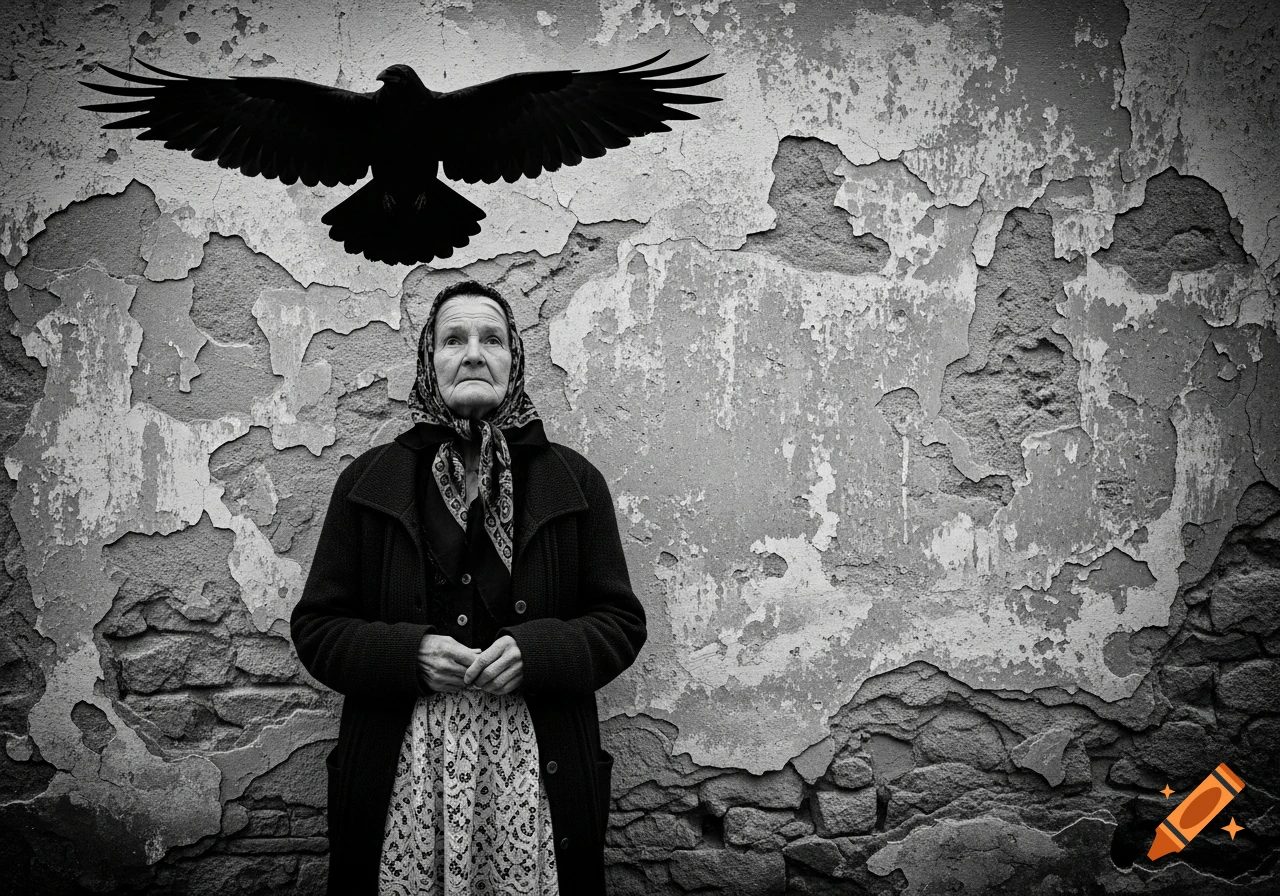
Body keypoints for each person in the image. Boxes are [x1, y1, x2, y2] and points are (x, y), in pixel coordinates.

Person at [291, 280, 646, 894]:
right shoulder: (369, 480)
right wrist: (408, 655)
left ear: (515, 361)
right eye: (454, 339)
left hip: (534, 764)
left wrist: (541, 654)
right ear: (430, 361)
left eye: (493, 339)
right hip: (407, 763)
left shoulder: (574, 481)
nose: (475, 353)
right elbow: (317, 629)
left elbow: (620, 621)